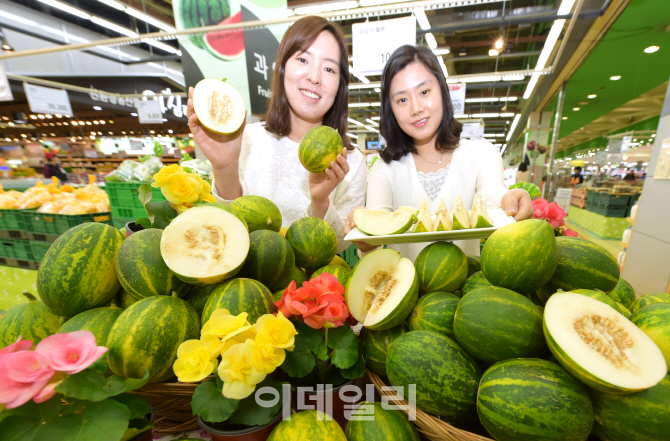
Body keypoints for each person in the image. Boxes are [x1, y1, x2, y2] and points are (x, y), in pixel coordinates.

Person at [187, 16, 367, 252]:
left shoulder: (350, 162)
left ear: (339, 85)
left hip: (317, 287)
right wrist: (224, 167)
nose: (314, 77)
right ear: (282, 68)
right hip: (251, 283)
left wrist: (321, 201)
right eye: (303, 59)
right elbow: (228, 231)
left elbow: (341, 247)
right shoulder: (245, 139)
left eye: (329, 68)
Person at [345, 45, 533, 261]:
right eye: (402, 100)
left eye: (424, 92)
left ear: (442, 90)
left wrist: (510, 200)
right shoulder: (384, 168)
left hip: (469, 291)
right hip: (407, 291)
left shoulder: (482, 153)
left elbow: (492, 197)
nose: (416, 108)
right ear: (391, 109)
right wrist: (364, 236)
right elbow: (373, 243)